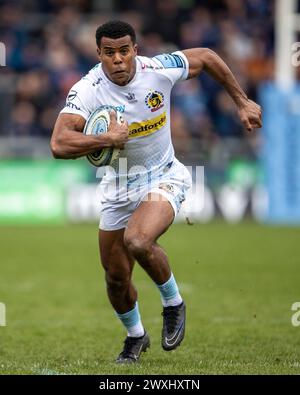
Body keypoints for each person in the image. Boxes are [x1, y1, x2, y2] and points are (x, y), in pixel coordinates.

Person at [50, 20, 262, 364]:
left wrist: (242, 101)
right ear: (99, 54)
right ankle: (136, 337)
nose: (117, 60)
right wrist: (107, 139)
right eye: (109, 53)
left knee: (138, 239)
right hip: (118, 187)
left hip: (164, 175)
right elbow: (59, 143)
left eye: (124, 51)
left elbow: (206, 56)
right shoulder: (88, 88)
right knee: (115, 279)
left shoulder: (158, 69)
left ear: (135, 49)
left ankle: (173, 303)